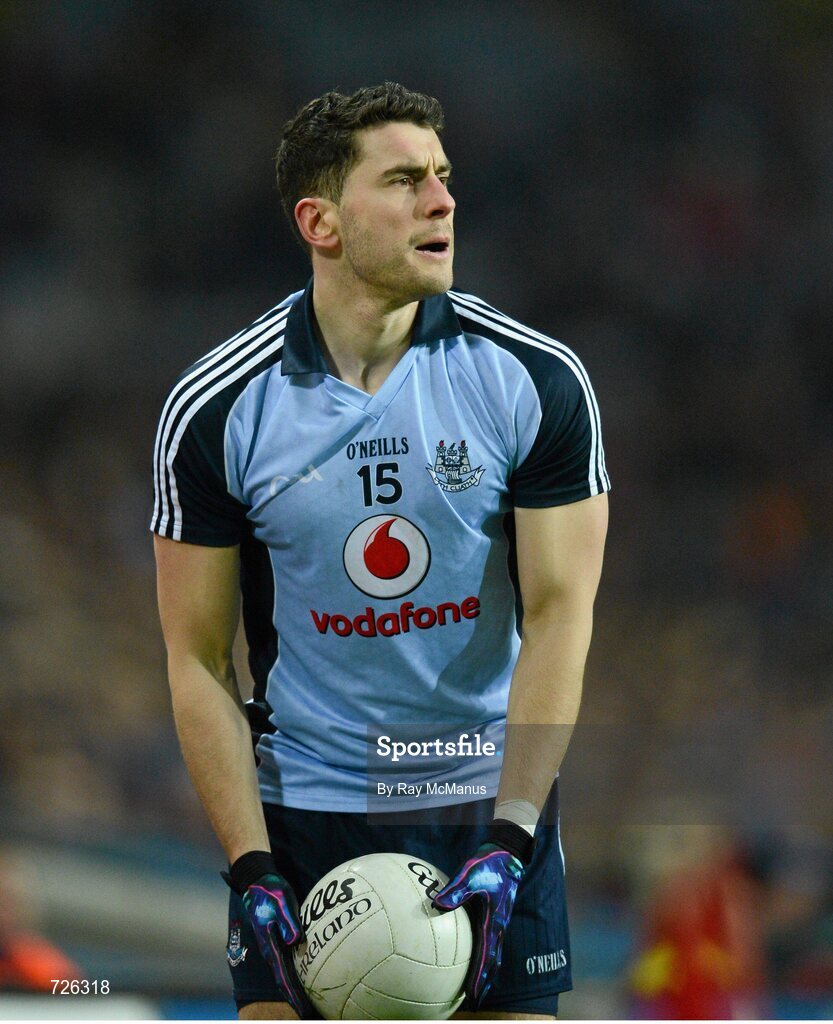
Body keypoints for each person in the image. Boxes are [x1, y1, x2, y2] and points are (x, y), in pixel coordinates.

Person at [152, 82, 609, 1020]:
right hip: (308, 808)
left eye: (441, 177)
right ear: (319, 221)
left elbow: (562, 613)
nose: (441, 201)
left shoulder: (532, 380)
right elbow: (195, 657)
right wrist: (251, 868)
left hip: (483, 799)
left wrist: (512, 837)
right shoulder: (218, 411)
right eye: (403, 181)